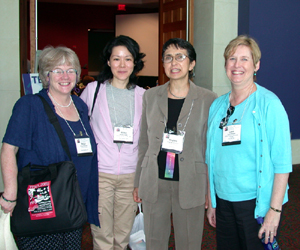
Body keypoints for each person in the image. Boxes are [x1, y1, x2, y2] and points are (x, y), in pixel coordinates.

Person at [0, 46, 100, 249]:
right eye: (58, 70)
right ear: (46, 75)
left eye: (70, 70)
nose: (65, 76)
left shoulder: (80, 107)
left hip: (73, 201)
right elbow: (9, 149)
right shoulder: (29, 105)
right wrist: (10, 193)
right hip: (42, 200)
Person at [206, 35, 292, 249]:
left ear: (256, 65)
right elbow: (211, 157)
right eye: (232, 59)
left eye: (245, 59)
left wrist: (274, 210)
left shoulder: (269, 104)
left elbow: (282, 163)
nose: (237, 65)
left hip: (255, 203)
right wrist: (211, 201)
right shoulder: (217, 106)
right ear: (225, 64)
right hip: (223, 200)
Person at [133, 38, 217, 249]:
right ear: (163, 63)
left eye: (180, 57)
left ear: (192, 63)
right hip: (154, 181)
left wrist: (210, 190)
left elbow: (210, 149)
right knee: (154, 241)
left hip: (190, 182)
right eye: (168, 58)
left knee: (188, 242)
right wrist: (138, 181)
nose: (174, 63)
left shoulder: (208, 99)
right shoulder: (151, 96)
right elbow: (144, 142)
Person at [80, 35, 146, 250]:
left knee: (123, 234)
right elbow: (80, 127)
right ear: (108, 62)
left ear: (135, 62)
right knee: (101, 233)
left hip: (130, 175)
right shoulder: (93, 91)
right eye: (116, 59)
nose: (122, 64)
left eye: (128, 59)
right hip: (100, 174)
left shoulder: (144, 96)